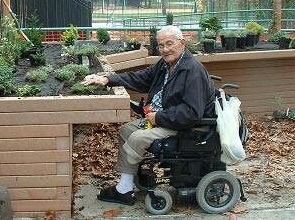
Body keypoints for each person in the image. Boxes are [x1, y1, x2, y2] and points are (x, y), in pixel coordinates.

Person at [82, 25, 216, 206]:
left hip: (185, 127)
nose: (165, 49)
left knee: (137, 138)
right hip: (165, 119)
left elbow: (192, 113)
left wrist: (159, 117)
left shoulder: (192, 71)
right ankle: (126, 185)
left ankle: (123, 189)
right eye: (161, 45)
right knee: (126, 130)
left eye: (170, 44)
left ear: (182, 43)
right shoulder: (166, 64)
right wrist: (109, 79)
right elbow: (141, 78)